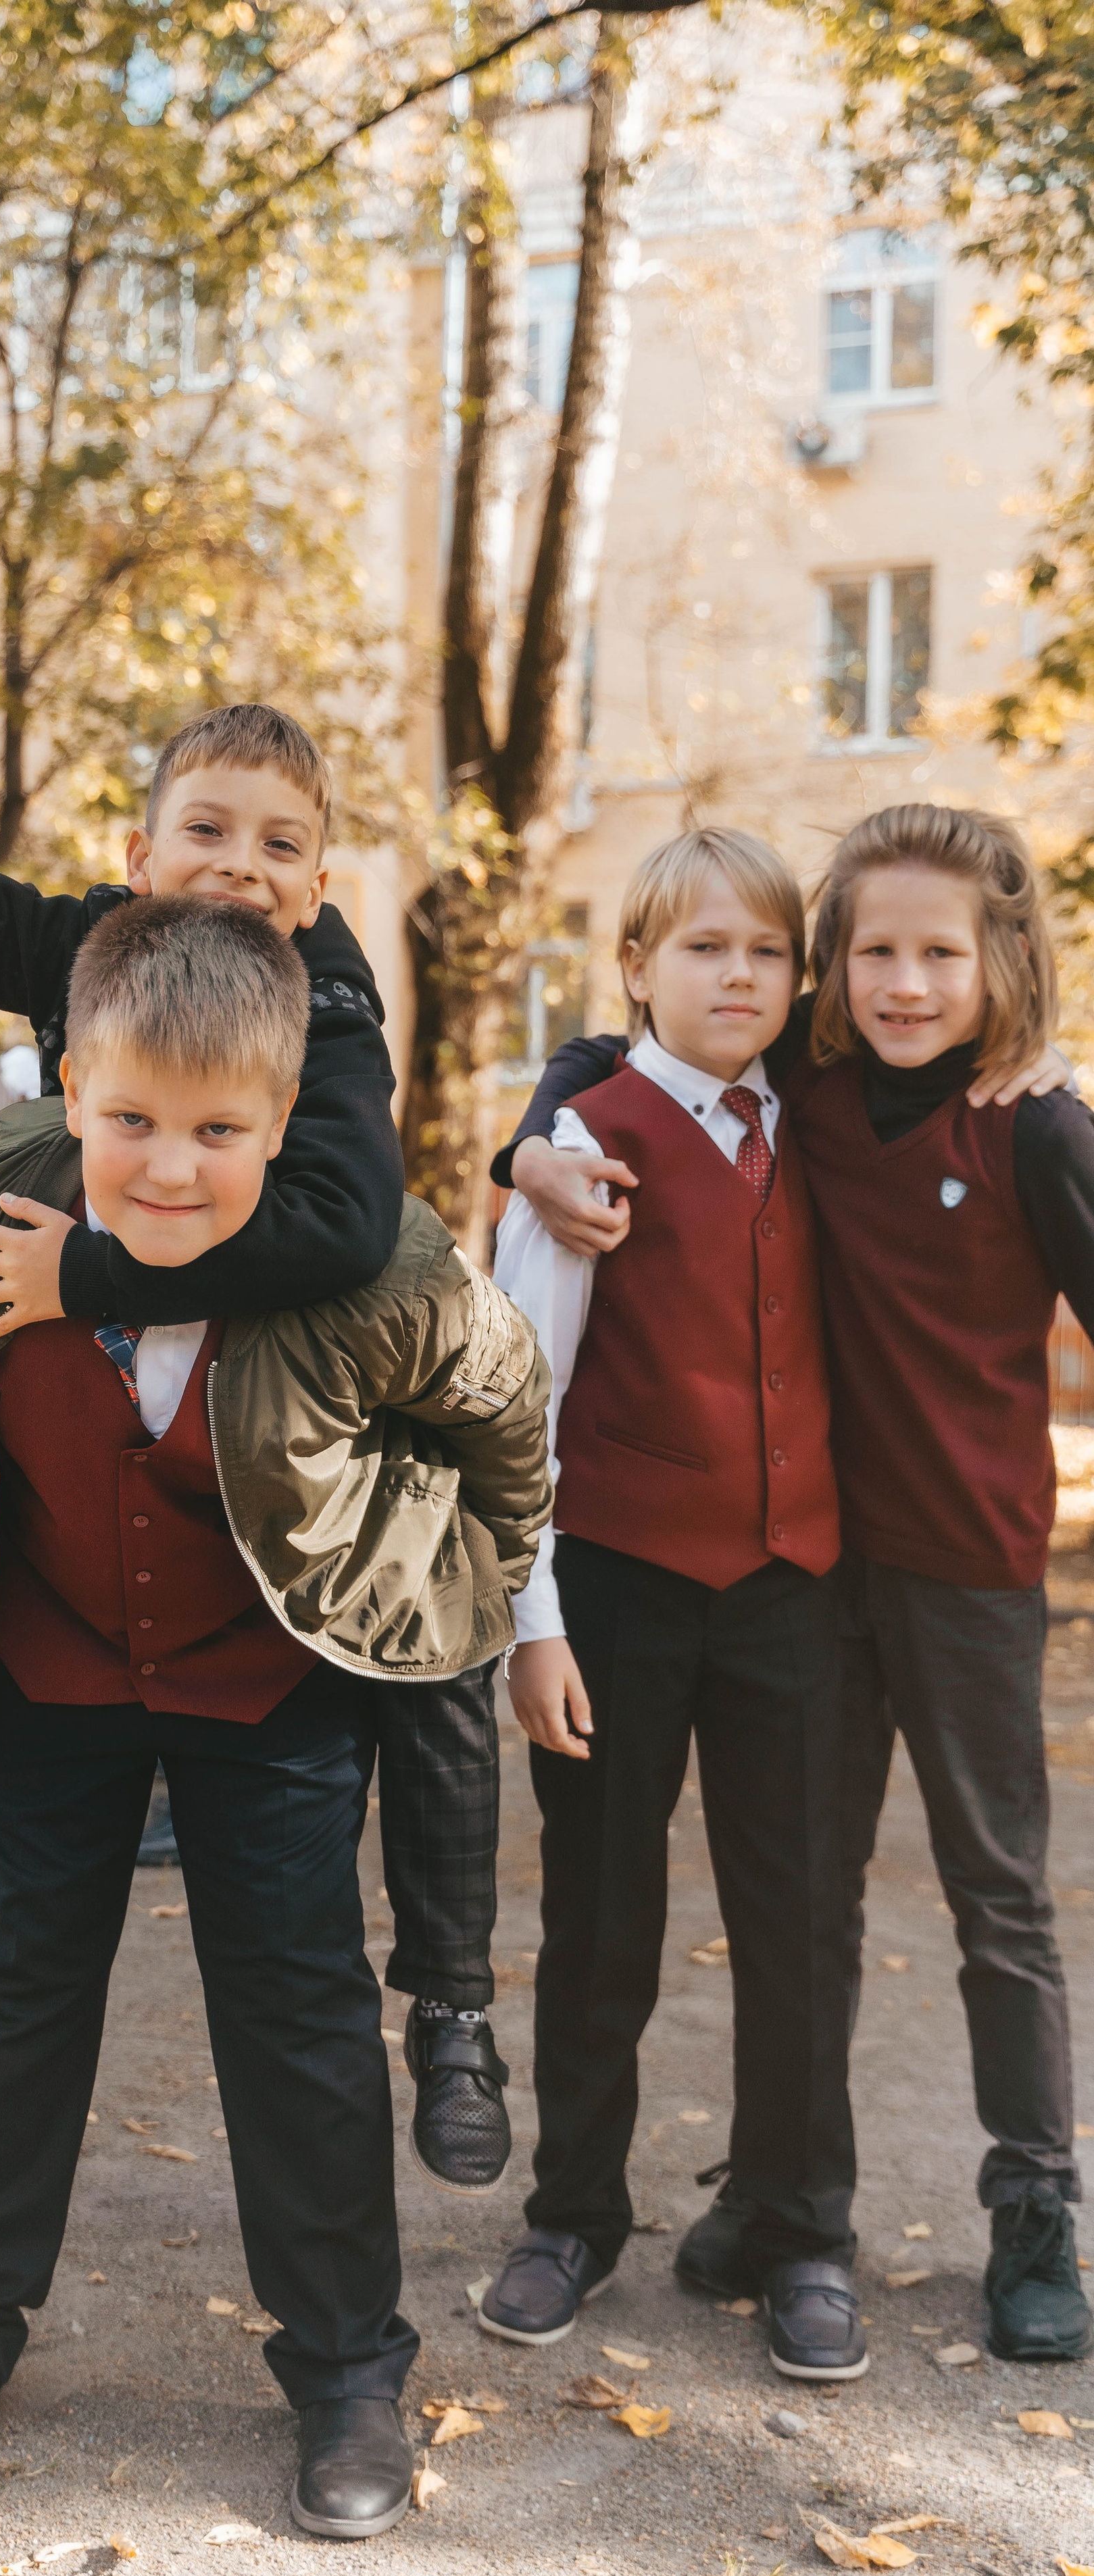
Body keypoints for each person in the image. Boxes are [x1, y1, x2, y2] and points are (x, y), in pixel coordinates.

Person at [0, 895, 551, 2531]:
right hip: (45, 1668)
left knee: (297, 2021)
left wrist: (456, 1585)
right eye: (131, 1120)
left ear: (285, 1119)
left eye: (219, 1131)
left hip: (267, 1679)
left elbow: (506, 1419)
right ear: (67, 1082)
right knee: (2, 2001)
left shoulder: (371, 1266)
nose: (168, 1167)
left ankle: (349, 2369)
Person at [0, 632, 516, 2197]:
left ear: (315, 888)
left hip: (291, 1419)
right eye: (205, 829)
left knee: (434, 1606)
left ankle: (448, 1993)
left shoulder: (328, 1000)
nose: (235, 866)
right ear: (136, 854)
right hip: (71, 1434)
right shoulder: (90, 946)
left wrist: (89, 1276)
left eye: (277, 845)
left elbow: (335, 1226)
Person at [504, 803, 1093, 2365]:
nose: (901, 983)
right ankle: (759, 2197)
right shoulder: (803, 1098)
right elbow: (616, 1058)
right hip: (790, 1576)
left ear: (995, 965)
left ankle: (1031, 2212)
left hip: (957, 1571)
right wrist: (535, 1125)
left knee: (996, 1898)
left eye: (937, 954)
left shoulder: (1032, 1121)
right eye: (872, 952)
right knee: (798, 1905)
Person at [488, 828, 864, 2385]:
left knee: (798, 1924)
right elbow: (516, 1402)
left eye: (765, 953)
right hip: (621, 1594)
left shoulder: (826, 1124)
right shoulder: (584, 1139)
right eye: (701, 949)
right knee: (599, 1922)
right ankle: (571, 2212)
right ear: (634, 966)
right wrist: (531, 1624)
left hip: (795, 1595)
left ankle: (797, 2223)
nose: (736, 976)